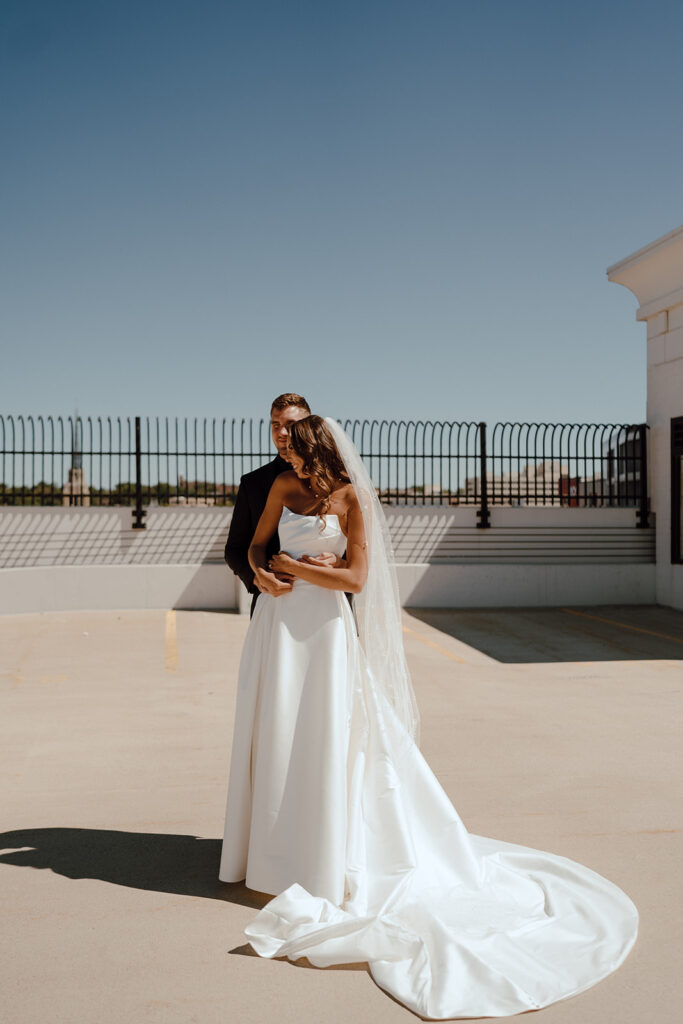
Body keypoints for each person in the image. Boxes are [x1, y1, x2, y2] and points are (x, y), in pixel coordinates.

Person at [219, 416, 638, 1020]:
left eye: (300, 452)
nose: (290, 460)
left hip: (327, 628)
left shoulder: (351, 498)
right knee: (279, 734)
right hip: (278, 625)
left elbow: (357, 579)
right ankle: (272, 848)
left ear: (321, 451)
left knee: (326, 739)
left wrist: (300, 569)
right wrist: (264, 571)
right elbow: (257, 546)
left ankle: (321, 851)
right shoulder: (283, 488)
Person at [224, 393, 342, 616]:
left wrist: (340, 561)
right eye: (275, 425)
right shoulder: (253, 483)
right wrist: (259, 578)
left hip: (330, 609)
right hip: (273, 606)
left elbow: (360, 557)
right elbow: (235, 549)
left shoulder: (341, 486)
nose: (282, 432)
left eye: (291, 425)